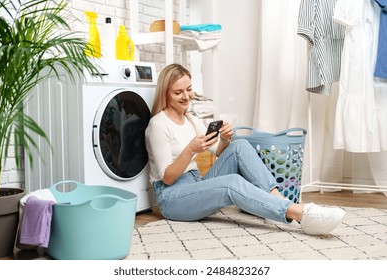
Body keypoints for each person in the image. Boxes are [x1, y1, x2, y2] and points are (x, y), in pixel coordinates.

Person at [145, 63, 345, 235]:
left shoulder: (190, 119)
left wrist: (225, 138)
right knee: (231, 183)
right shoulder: (158, 125)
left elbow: (221, 153)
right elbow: (168, 178)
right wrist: (190, 149)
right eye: (178, 92)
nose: (186, 96)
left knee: (239, 145)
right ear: (165, 94)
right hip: (173, 198)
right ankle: (300, 213)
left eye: (189, 89)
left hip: (197, 184)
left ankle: (284, 203)